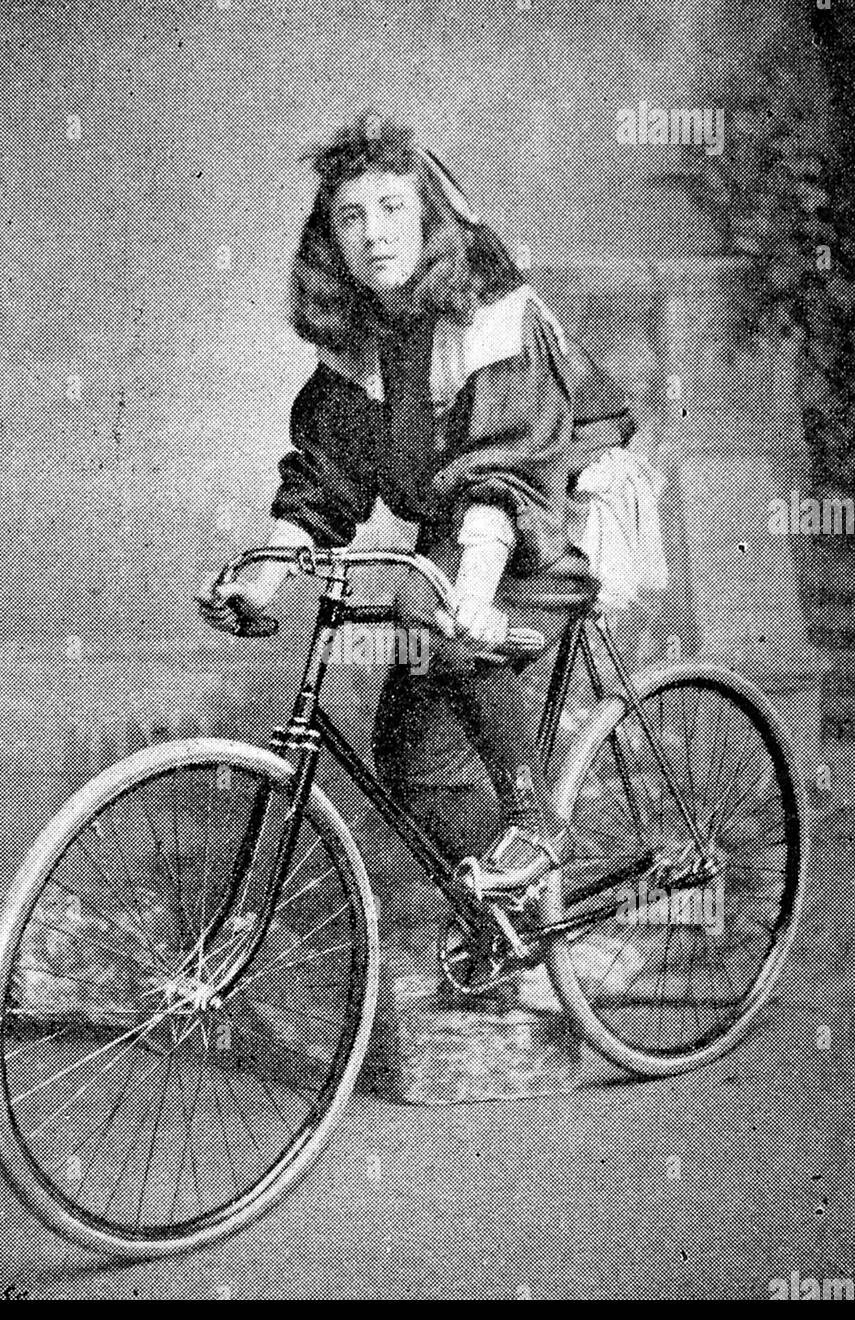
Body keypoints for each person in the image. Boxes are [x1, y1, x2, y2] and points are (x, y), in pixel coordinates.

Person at [210, 111, 642, 895]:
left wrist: (470, 592)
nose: (373, 232)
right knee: (407, 762)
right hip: (467, 525)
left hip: (551, 506)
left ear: (429, 217)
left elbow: (506, 467)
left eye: (392, 208)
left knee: (435, 604)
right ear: (330, 238)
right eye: (351, 215)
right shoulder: (361, 345)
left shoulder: (488, 315)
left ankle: (535, 819)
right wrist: (262, 582)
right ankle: (517, 916)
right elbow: (325, 477)